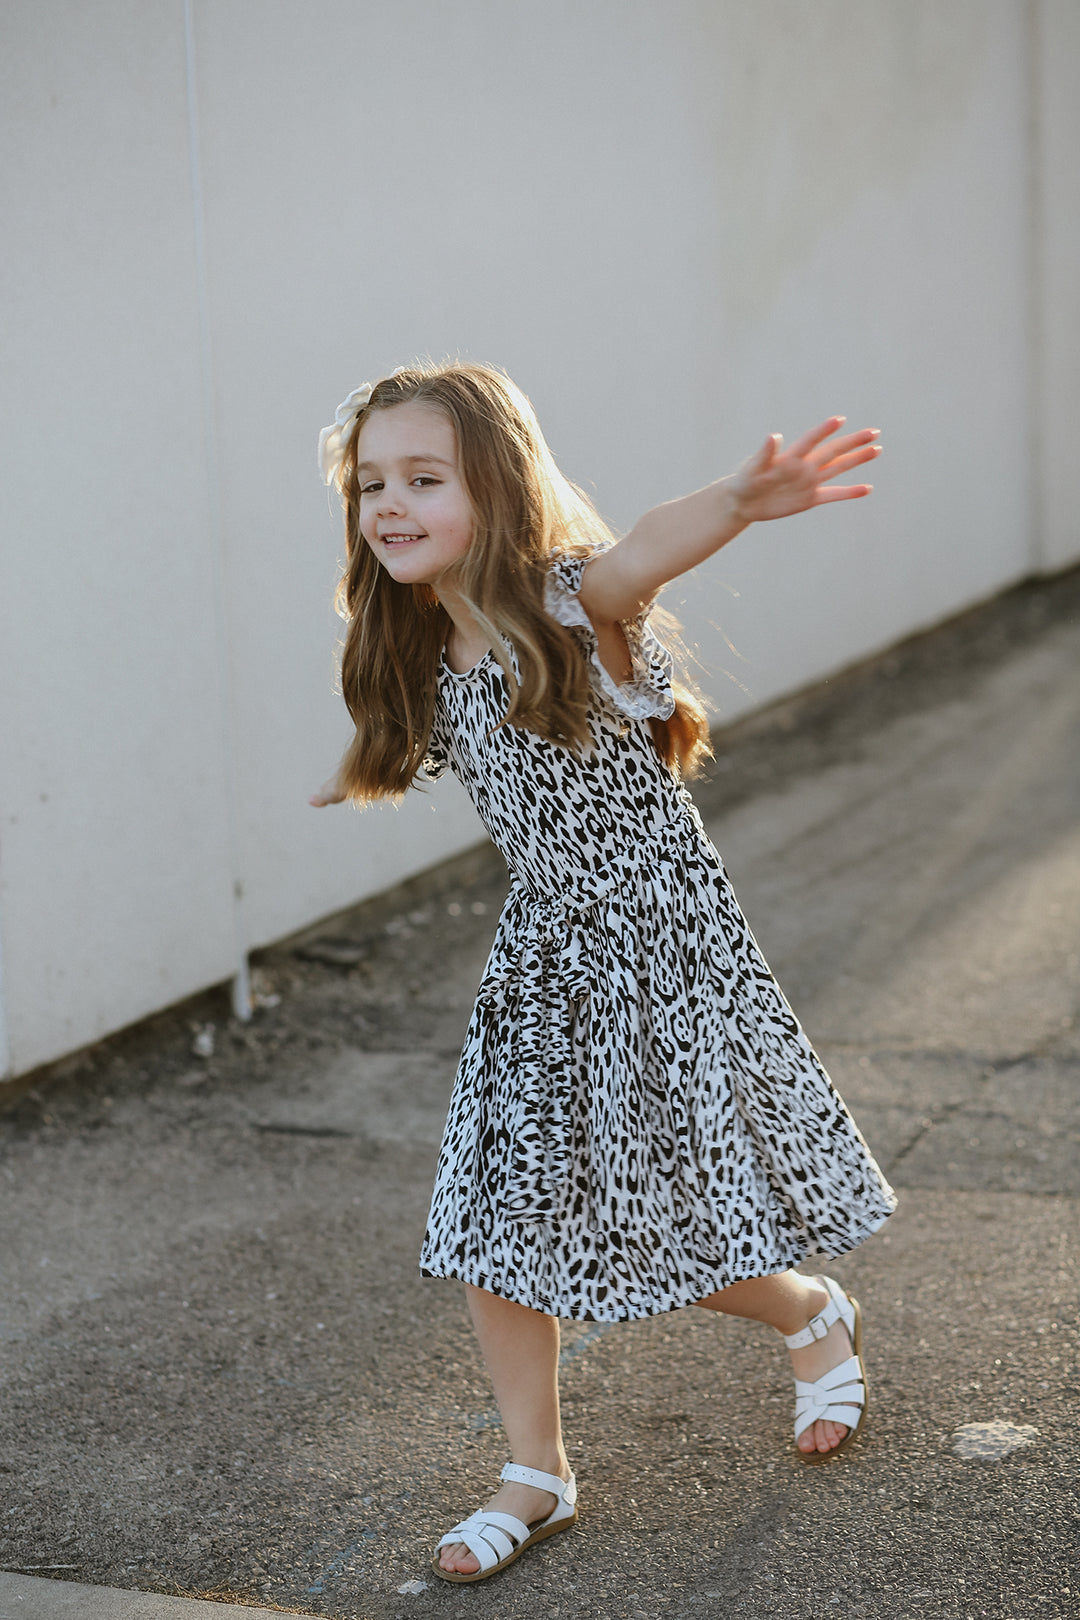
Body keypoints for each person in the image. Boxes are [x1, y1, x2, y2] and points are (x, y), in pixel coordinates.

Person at [311, 362, 895, 1584]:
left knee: (669, 1220)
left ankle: (807, 1312)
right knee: (492, 1220)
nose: (389, 502)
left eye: (425, 478)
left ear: (500, 489)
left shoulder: (567, 606)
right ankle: (538, 1474)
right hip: (544, 966)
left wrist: (740, 497)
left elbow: (639, 555)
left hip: (660, 959)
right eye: (372, 482)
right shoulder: (419, 642)